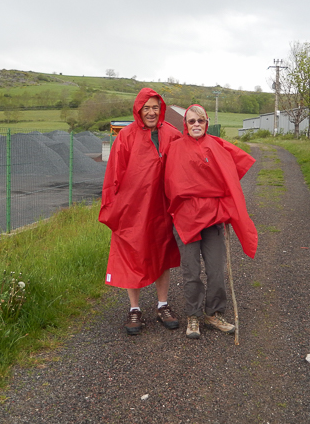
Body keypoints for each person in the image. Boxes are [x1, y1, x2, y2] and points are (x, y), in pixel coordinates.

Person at [164, 104, 257, 339]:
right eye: (192, 121)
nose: (196, 125)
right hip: (186, 220)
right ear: (185, 124)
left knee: (216, 270)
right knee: (191, 271)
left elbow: (230, 178)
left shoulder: (216, 146)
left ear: (207, 123)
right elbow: (172, 186)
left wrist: (223, 208)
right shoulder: (175, 149)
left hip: (214, 220)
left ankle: (214, 313)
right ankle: (193, 316)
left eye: (201, 121)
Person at [99, 88, 183, 335]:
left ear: (161, 109)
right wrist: (112, 207)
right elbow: (113, 174)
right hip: (132, 208)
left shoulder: (172, 134)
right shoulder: (126, 137)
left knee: (162, 252)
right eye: (146, 107)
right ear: (138, 109)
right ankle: (134, 309)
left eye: (155, 107)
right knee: (131, 252)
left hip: (162, 207)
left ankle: (162, 305)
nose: (151, 112)